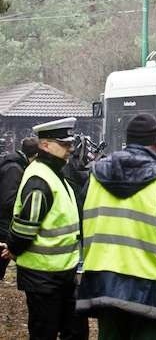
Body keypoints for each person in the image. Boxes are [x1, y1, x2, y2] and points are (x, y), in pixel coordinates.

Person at [76, 113, 156, 339]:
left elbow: (82, 225)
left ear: (128, 139)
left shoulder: (95, 176)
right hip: (151, 291)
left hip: (103, 285)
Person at [0, 117, 82, 339]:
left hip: (60, 272)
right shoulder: (40, 179)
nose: (70, 149)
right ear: (45, 145)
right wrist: (14, 247)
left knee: (73, 329)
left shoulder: (53, 172)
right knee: (44, 332)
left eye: (70, 143)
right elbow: (26, 227)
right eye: (64, 144)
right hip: (43, 276)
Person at [0, 136, 39, 280]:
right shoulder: (14, 169)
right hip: (3, 226)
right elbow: (7, 200)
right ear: (34, 156)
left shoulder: (14, 165)